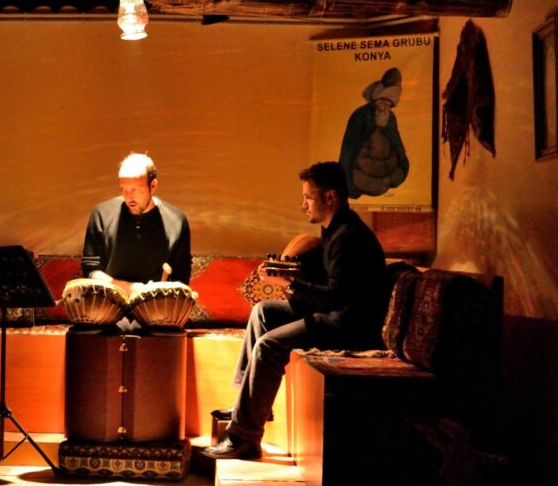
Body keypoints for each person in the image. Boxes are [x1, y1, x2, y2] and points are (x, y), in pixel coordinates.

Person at [203, 161, 387, 459]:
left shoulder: (348, 237)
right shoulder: (333, 230)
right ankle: (247, 406)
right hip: (334, 314)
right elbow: (330, 286)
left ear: (330, 197)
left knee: (269, 344)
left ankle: (245, 439)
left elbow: (336, 299)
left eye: (308, 197)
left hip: (349, 325)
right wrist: (289, 275)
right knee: (263, 312)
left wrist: (291, 283)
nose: (303, 205)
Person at [82, 152, 192, 294]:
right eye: (123, 189)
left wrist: (159, 294)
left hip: (156, 305)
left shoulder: (176, 221)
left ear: (153, 186)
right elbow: (91, 270)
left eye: (136, 190)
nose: (129, 197)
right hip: (110, 301)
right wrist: (130, 289)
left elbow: (181, 277)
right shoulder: (101, 214)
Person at [339, 67, 409, 199]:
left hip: (388, 170)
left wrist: (402, 164)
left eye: (388, 104)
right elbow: (348, 151)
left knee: (396, 176)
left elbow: (397, 144)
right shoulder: (360, 115)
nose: (384, 107)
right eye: (381, 102)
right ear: (374, 100)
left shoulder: (390, 117)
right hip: (363, 172)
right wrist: (346, 184)